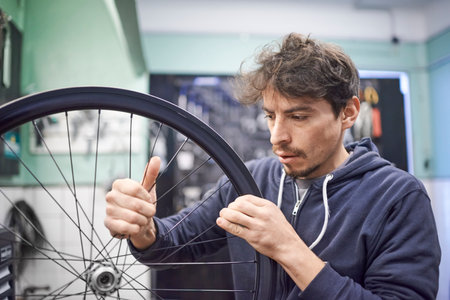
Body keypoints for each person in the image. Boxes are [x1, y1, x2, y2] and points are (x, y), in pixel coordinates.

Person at [104, 33, 441, 299]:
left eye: (298, 116)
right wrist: (142, 228)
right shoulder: (250, 180)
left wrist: (288, 249)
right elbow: (171, 245)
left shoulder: (398, 197)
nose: (277, 136)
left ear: (349, 113)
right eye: (270, 116)